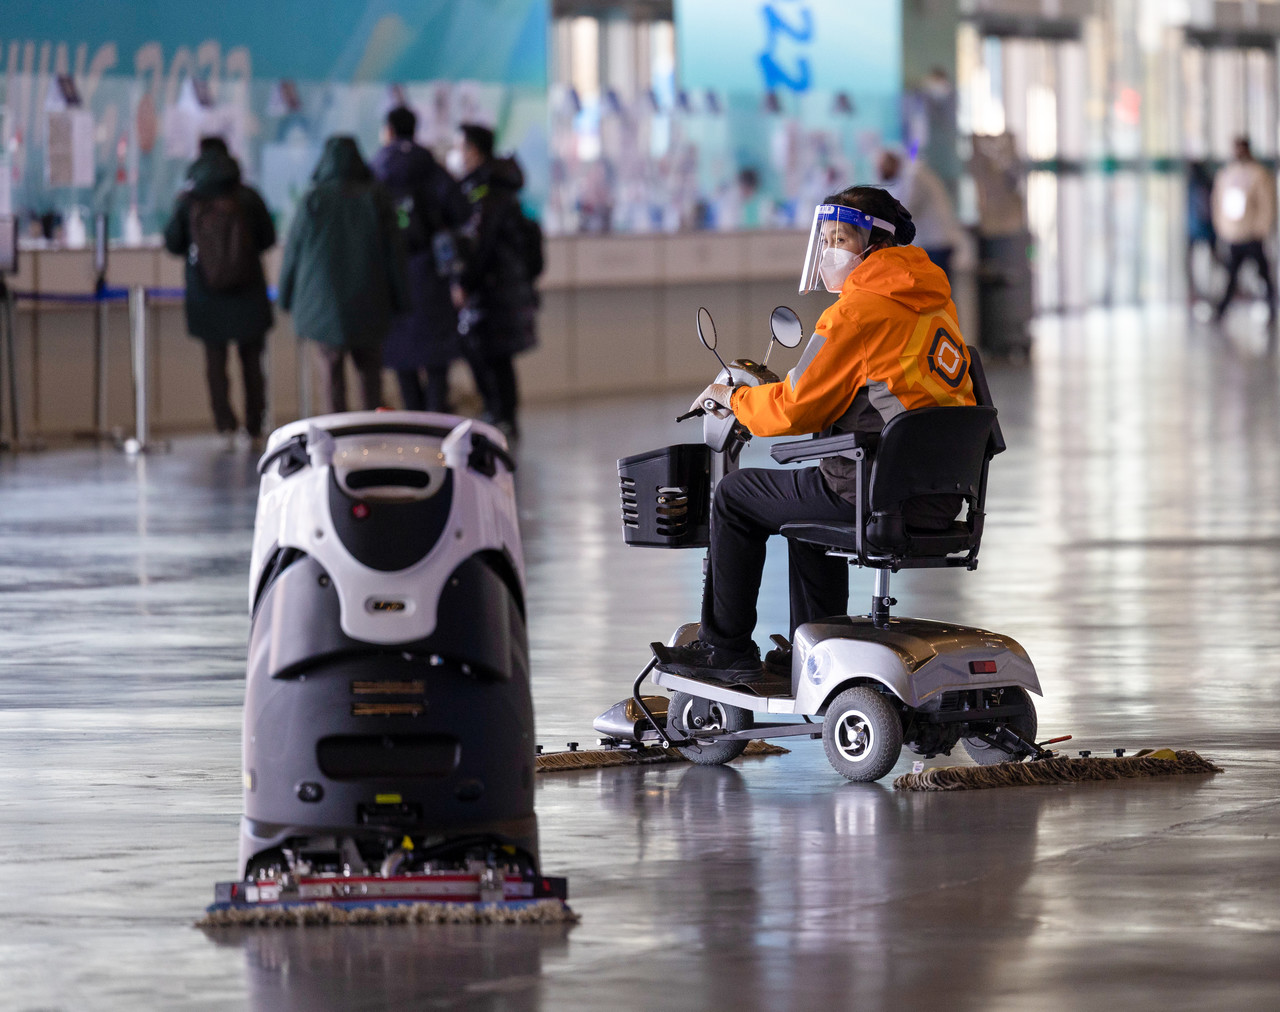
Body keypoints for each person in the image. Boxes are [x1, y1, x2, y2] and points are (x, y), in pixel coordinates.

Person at [656, 186, 976, 682]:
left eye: (841, 237)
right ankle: (816, 645)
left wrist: (733, 398)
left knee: (736, 494)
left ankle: (724, 648)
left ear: (875, 244)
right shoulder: (934, 305)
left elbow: (794, 409)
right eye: (825, 237)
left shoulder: (855, 313)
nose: (829, 249)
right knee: (801, 509)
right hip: (938, 496)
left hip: (878, 494)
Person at [279, 136, 408, 413]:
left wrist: (286, 296)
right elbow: (394, 254)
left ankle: (335, 440)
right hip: (371, 301)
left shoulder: (313, 199)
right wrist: (402, 299)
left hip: (323, 306)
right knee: (370, 376)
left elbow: (293, 253)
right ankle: (371, 436)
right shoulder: (377, 198)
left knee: (331, 378)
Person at [163, 136, 275, 447]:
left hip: (205, 293)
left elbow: (172, 243)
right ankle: (254, 426)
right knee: (252, 361)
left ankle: (225, 424)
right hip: (248, 289)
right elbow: (268, 238)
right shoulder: (248, 196)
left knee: (215, 362)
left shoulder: (188, 200)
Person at [370, 106, 472, 412]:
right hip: (432, 273)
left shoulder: (376, 170)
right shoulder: (432, 168)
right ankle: (436, 422)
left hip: (393, 275)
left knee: (402, 354)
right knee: (436, 354)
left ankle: (413, 421)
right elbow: (462, 212)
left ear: (388, 130)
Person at [450, 123, 538, 438]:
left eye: (460, 148)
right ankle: (503, 417)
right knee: (498, 356)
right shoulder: (500, 189)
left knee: (489, 354)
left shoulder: (485, 194)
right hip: (506, 287)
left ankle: (500, 417)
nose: (457, 155)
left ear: (474, 151)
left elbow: (479, 247)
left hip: (493, 289)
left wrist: (463, 282)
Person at [1212, 136, 1277, 323]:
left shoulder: (1258, 174)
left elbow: (1267, 205)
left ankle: (1271, 305)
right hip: (1235, 235)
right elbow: (1219, 203)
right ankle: (1221, 309)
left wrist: (1262, 229)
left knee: (1262, 273)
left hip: (1252, 235)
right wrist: (1224, 229)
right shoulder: (1227, 174)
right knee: (1232, 275)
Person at [877, 147, 961, 277]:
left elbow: (906, 209)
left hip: (936, 242)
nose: (880, 172)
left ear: (891, 162)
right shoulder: (907, 176)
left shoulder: (914, 176)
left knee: (935, 290)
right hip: (932, 242)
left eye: (882, 167)